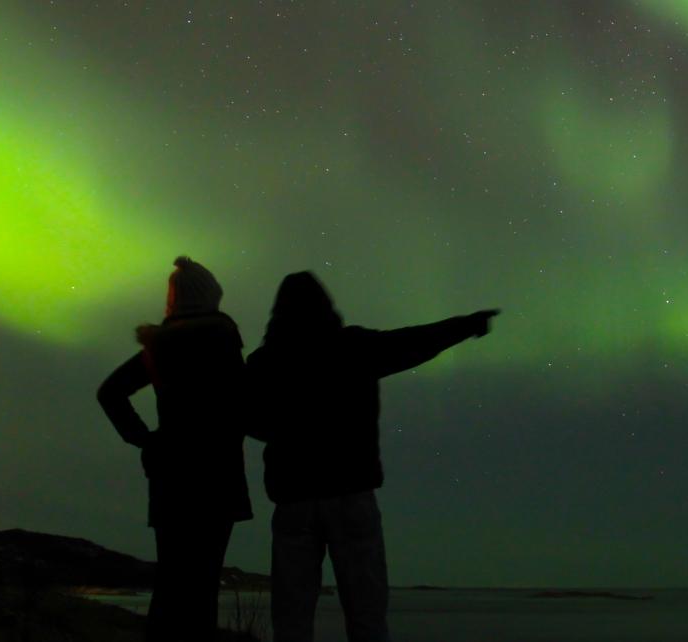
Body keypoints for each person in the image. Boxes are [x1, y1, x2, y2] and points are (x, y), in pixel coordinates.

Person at [246, 271, 498, 642]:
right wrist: (467, 325)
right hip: (351, 494)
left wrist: (285, 433)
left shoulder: (264, 362)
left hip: (294, 500)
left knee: (292, 618)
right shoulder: (354, 347)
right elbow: (415, 341)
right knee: (367, 615)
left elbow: (248, 420)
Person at [97, 256, 253, 641]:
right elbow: (243, 404)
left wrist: (147, 440)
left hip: (170, 476)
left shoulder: (158, 346)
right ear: (209, 297)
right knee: (202, 585)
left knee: (170, 583)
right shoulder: (221, 338)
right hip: (217, 475)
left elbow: (110, 392)